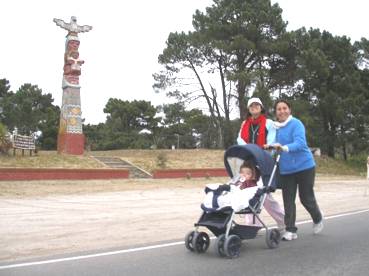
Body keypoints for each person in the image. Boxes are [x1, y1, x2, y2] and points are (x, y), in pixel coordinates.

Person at [270, 99, 323, 241]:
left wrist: (284, 148)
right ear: (276, 112)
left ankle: (317, 217)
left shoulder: (296, 124)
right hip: (287, 169)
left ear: (289, 110)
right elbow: (272, 145)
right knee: (288, 200)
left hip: (305, 166)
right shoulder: (275, 128)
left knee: (305, 198)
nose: (282, 111)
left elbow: (300, 143)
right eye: (279, 109)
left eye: (284, 108)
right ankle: (290, 230)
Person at [237, 97, 285, 229]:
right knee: (247, 191)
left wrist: (264, 147)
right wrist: (249, 148)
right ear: (248, 109)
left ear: (261, 107)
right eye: (251, 105)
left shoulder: (269, 123)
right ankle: (252, 225)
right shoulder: (244, 124)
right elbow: (239, 139)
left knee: (264, 195)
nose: (254, 107)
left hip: (263, 160)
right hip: (248, 162)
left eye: (257, 104)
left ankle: (283, 220)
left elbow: (271, 140)